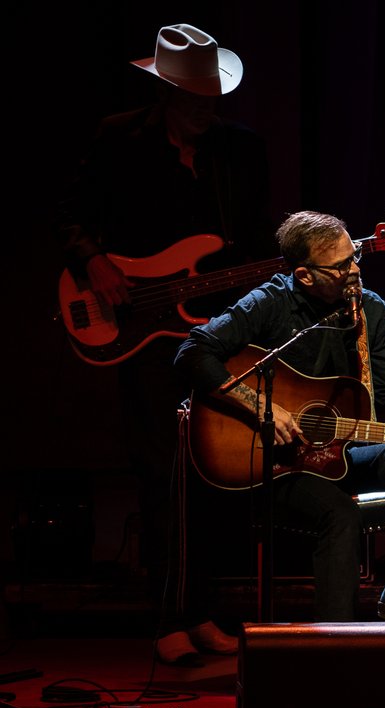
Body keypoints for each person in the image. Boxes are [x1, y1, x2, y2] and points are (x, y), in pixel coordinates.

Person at [55, 24, 275, 665]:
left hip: (215, 330)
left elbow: (258, 239)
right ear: (165, 90)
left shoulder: (242, 151)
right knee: (161, 471)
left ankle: (202, 611)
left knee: (212, 471)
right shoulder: (121, 136)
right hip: (143, 330)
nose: (206, 105)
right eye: (192, 93)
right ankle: (166, 618)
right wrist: (94, 259)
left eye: (212, 93)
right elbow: (68, 215)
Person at [174, 210, 385, 626]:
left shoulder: (370, 310)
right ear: (304, 275)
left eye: (354, 256)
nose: (354, 268)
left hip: (345, 455)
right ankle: (336, 642)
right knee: (339, 514)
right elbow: (192, 353)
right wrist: (261, 406)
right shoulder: (269, 302)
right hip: (281, 467)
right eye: (341, 265)